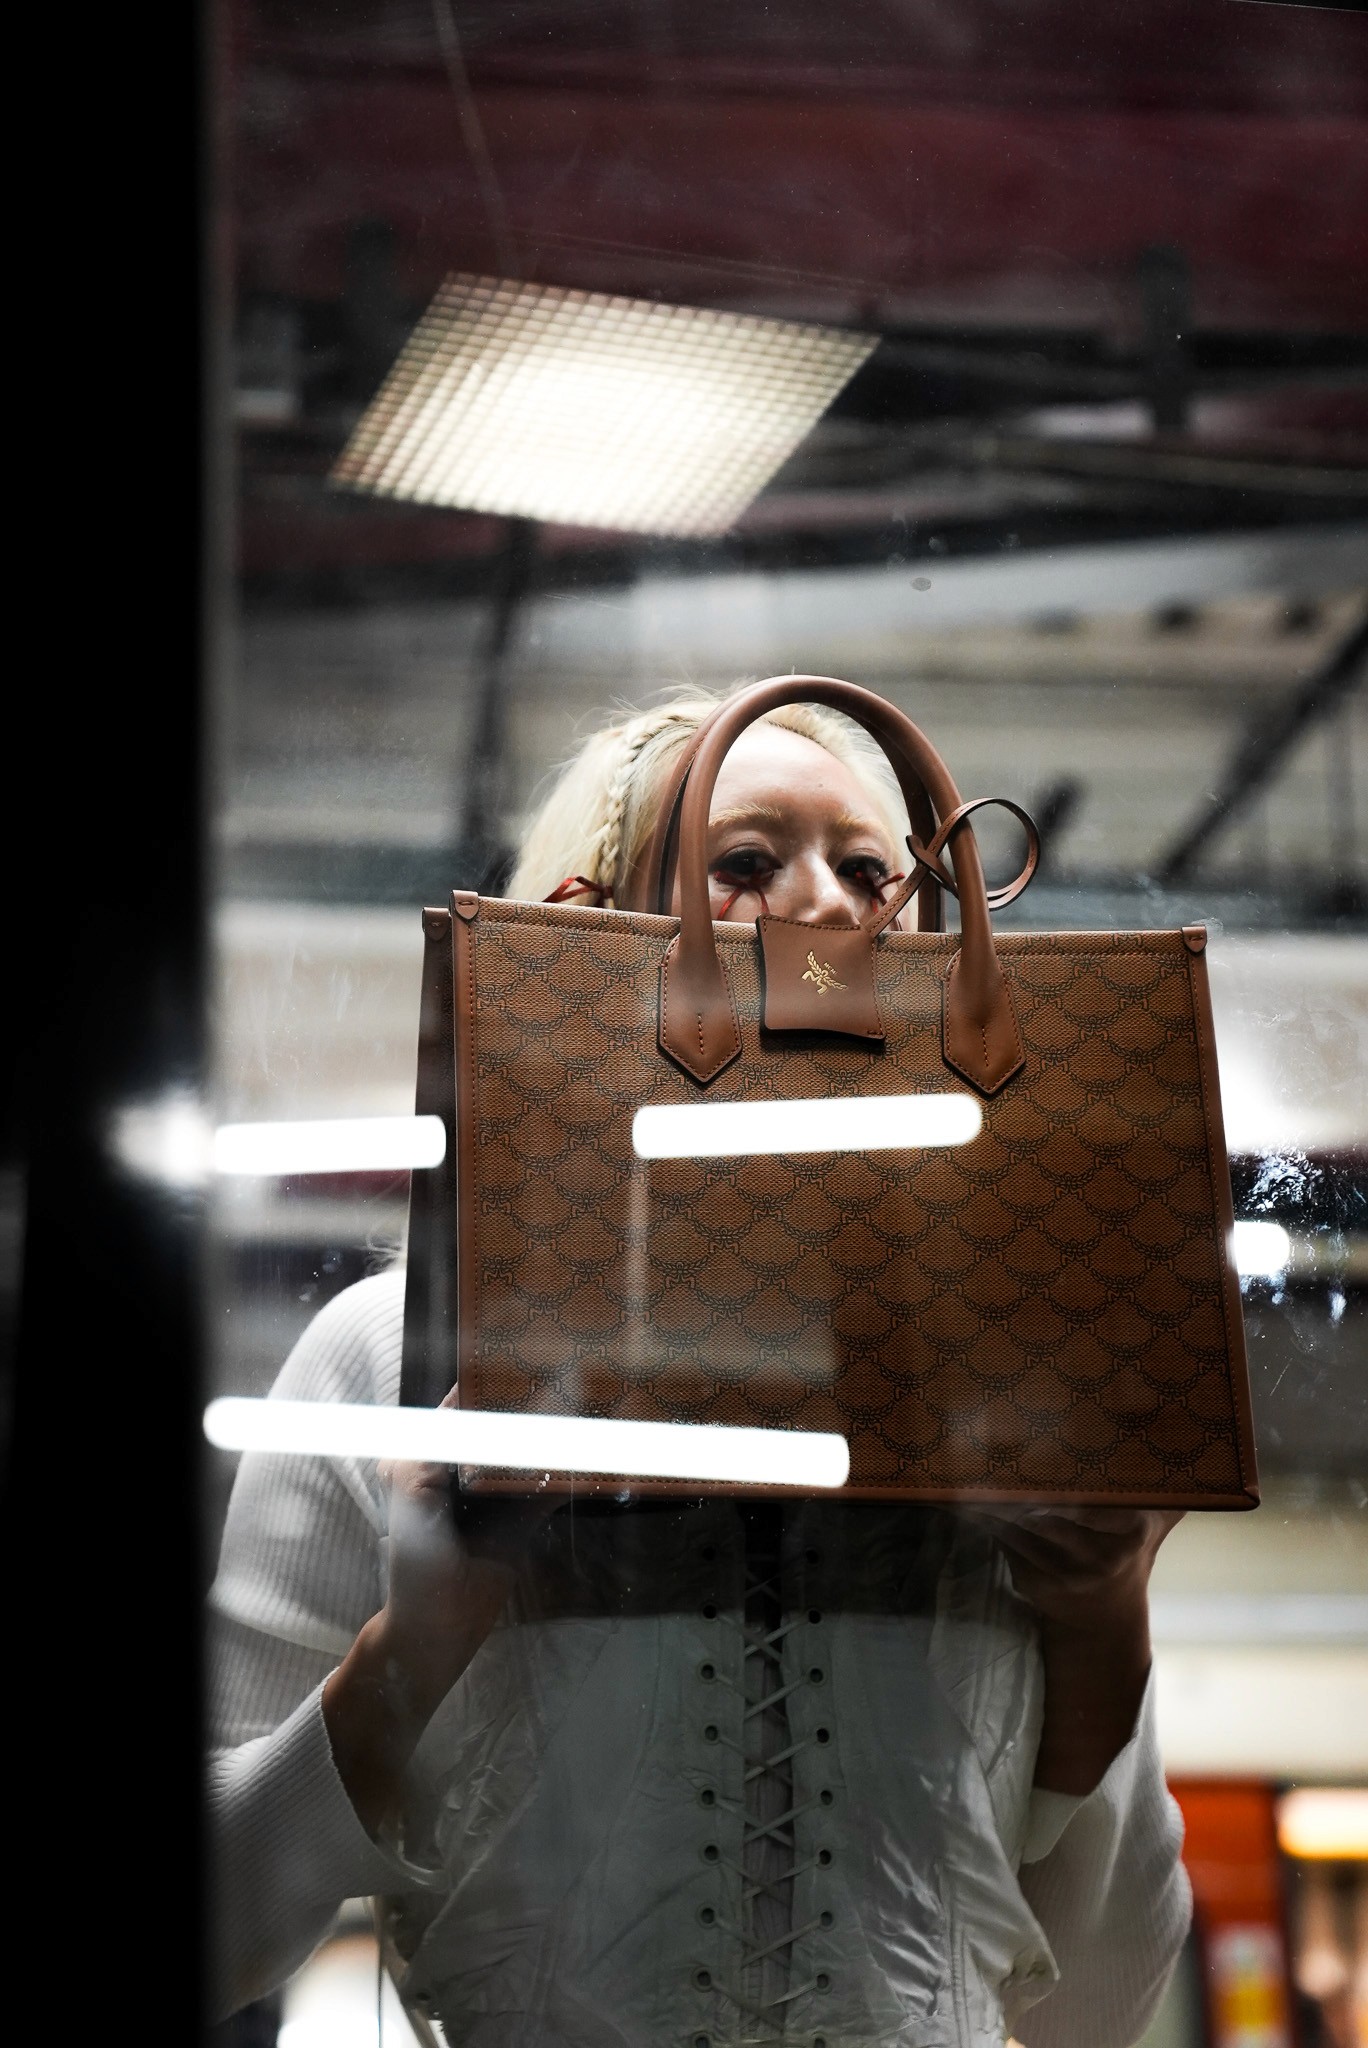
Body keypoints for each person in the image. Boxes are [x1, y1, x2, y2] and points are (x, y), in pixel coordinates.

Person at [210, 687, 1191, 2048]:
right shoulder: (394, 1357)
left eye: (872, 874)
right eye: (742, 863)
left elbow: (1103, 2009)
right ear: (587, 920)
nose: (831, 909)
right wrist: (414, 1648)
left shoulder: (1010, 1382)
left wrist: (1103, 1626)